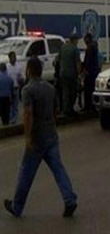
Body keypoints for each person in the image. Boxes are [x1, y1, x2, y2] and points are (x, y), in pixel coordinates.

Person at [4, 58, 77, 218]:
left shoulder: (28, 90)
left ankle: (17, 206)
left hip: (36, 138)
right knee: (58, 169)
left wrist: (27, 136)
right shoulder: (50, 88)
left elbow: (28, 114)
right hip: (51, 135)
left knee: (26, 173)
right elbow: (55, 111)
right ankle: (69, 199)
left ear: (29, 70)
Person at [59, 34, 81, 117]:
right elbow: (77, 63)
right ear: (74, 40)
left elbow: (58, 59)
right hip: (72, 74)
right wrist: (79, 75)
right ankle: (70, 109)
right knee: (72, 92)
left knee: (65, 92)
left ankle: (65, 109)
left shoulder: (63, 47)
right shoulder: (75, 49)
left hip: (63, 73)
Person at [82, 33, 100, 113]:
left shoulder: (90, 47)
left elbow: (89, 60)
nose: (84, 41)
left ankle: (88, 107)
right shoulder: (93, 47)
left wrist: (85, 69)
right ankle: (92, 106)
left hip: (90, 72)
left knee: (88, 90)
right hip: (94, 71)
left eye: (85, 39)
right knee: (92, 90)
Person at [7, 52, 24, 125]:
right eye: (13, 57)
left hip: (17, 88)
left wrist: (21, 79)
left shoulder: (18, 66)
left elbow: (22, 76)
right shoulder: (7, 67)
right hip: (9, 89)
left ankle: (15, 119)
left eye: (15, 56)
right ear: (10, 58)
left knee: (16, 105)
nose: (14, 58)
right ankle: (11, 119)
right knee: (10, 104)